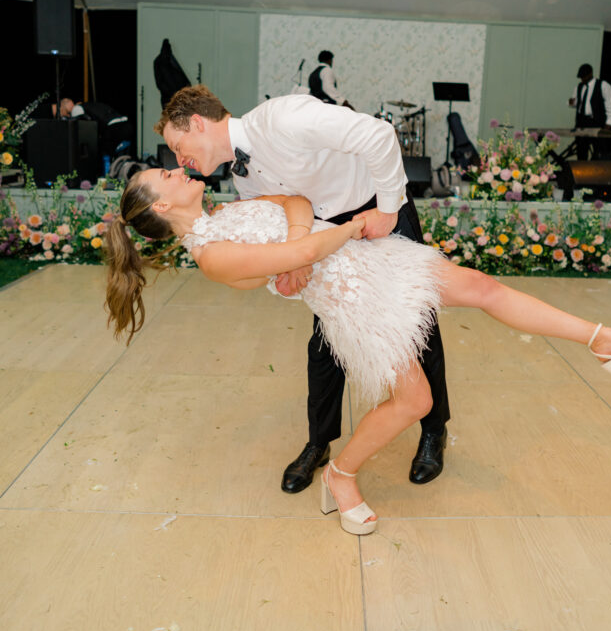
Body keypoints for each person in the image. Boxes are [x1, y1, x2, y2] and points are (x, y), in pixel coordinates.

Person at [104, 169, 611, 536]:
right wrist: (335, 234)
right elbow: (305, 245)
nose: (177, 168)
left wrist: (303, 245)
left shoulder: (226, 214)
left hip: (376, 263)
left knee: (481, 287)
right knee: (415, 399)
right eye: (164, 174)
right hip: (356, 304)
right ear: (157, 206)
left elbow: (297, 201)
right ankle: (342, 475)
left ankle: (603, 339)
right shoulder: (212, 255)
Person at [154, 86, 450, 493]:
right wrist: (297, 258)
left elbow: (378, 135)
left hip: (375, 211)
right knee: (325, 342)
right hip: (323, 237)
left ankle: (433, 431)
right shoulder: (243, 180)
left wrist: (387, 208)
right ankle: (319, 442)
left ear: (198, 123)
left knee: (419, 328)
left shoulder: (285, 117)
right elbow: (288, 209)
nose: (177, 158)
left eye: (177, 143)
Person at [569, 64, 611, 160]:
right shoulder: (579, 87)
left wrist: (609, 123)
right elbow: (577, 104)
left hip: (596, 122)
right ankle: (582, 171)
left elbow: (610, 105)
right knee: (581, 151)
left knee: (598, 152)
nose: (582, 79)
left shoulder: (603, 85)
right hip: (582, 122)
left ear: (590, 74)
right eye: (581, 77)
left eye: (584, 76)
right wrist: (572, 103)